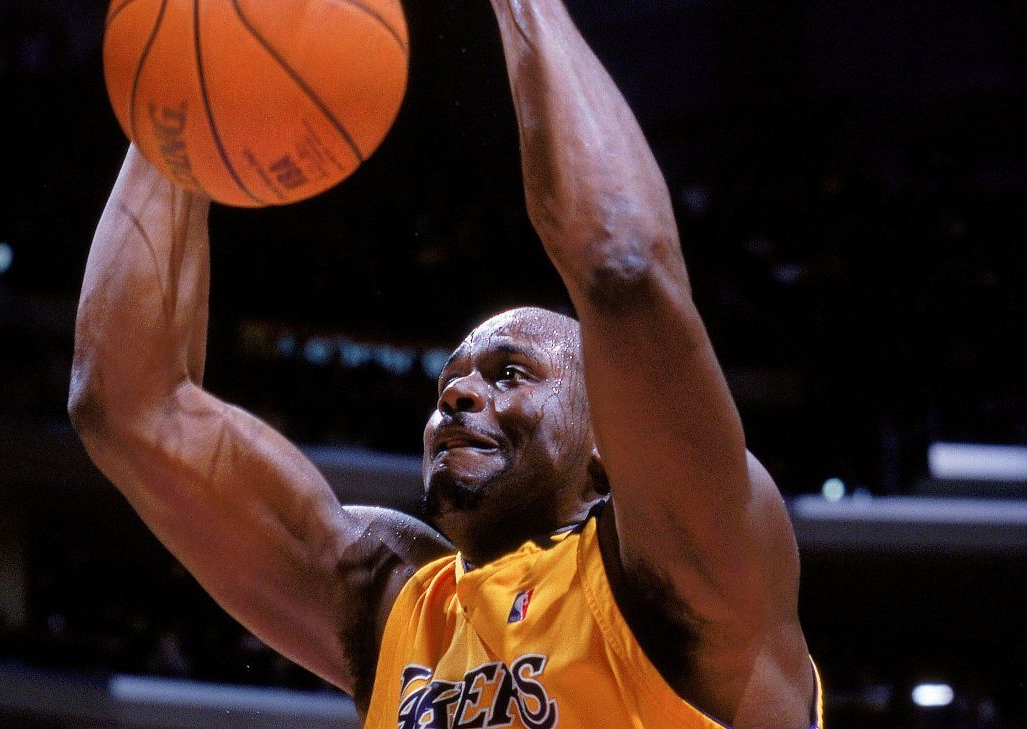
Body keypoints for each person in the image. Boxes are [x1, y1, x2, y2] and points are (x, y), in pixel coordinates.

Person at [69, 0, 821, 726]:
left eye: (509, 373)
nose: (458, 394)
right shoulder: (394, 603)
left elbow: (621, 265)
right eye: (448, 383)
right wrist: (187, 75)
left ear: (605, 441)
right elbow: (128, 406)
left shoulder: (689, 565)